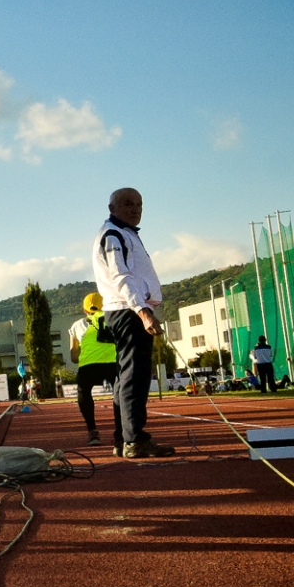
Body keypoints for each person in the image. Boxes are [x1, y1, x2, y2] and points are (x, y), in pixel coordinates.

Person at [93, 187, 174, 458]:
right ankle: (134, 439)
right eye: (128, 204)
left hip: (127, 311)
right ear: (112, 208)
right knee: (134, 378)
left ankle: (123, 439)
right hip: (127, 312)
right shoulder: (113, 235)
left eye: (139, 204)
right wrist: (142, 311)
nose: (136, 209)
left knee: (126, 378)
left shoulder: (123, 233)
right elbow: (121, 277)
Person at [67, 292, 116, 445]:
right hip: (114, 364)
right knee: (121, 395)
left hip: (88, 366)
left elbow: (74, 357)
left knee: (84, 392)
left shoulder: (77, 325)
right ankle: (121, 432)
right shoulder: (114, 320)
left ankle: (92, 431)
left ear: (85, 310)